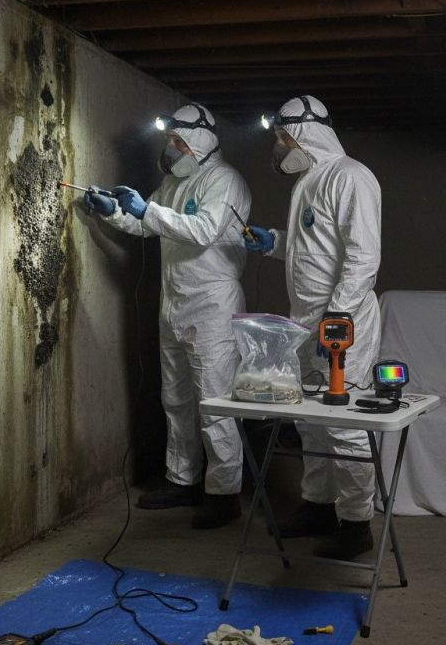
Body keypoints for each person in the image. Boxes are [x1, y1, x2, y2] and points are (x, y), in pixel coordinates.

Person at [84, 104, 251, 529]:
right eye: (169, 143)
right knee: (176, 398)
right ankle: (183, 479)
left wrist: (146, 211)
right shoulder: (173, 182)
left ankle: (224, 492)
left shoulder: (224, 181)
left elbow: (203, 230)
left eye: (178, 143)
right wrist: (114, 212)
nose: (172, 150)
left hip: (213, 304)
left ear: (199, 142)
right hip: (175, 300)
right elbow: (149, 225)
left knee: (215, 404)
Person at [244, 95, 381, 560]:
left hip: (343, 320)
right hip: (306, 319)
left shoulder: (351, 177)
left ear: (305, 134)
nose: (281, 147)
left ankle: (357, 523)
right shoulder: (308, 182)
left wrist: (338, 316)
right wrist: (275, 243)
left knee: (343, 424)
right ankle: (319, 505)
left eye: (284, 137)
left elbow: (363, 255)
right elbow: (315, 250)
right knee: (310, 422)